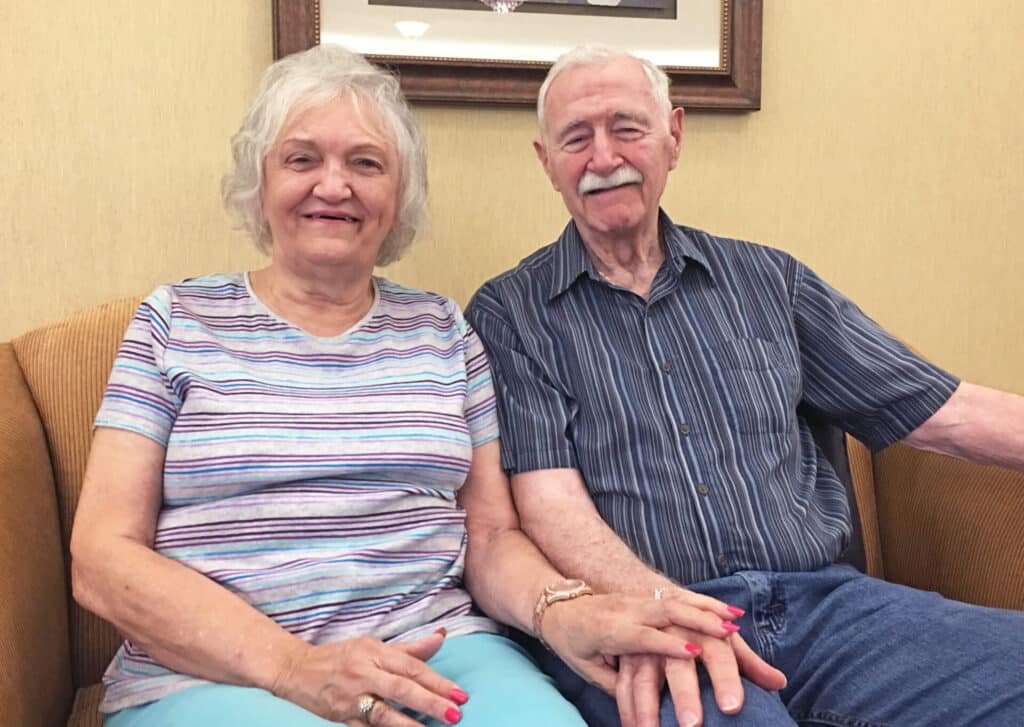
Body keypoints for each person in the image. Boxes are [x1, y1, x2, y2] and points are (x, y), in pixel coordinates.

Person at [69, 44, 747, 727]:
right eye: (302, 159)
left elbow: (489, 535)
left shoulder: (443, 330)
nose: (334, 186)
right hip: (216, 672)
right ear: (260, 180)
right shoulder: (177, 321)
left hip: (437, 651)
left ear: (399, 197)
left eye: (366, 163)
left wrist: (560, 609)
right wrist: (295, 668)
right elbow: (100, 554)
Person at [465, 45, 1024, 727]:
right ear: (545, 161)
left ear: (673, 135)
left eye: (627, 128)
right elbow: (548, 502)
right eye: (576, 138)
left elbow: (941, 410)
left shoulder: (771, 282)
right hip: (645, 624)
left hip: (827, 611)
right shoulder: (511, 311)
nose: (603, 156)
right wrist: (665, 607)